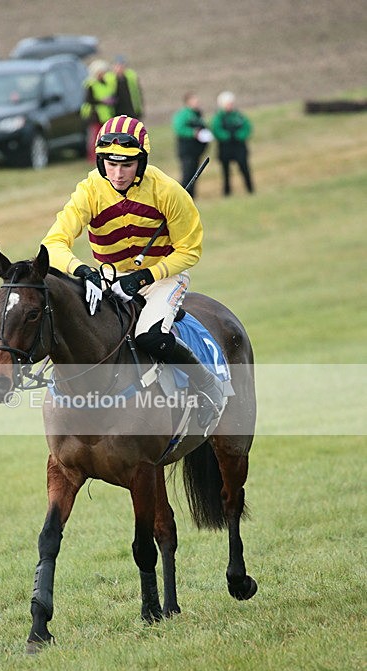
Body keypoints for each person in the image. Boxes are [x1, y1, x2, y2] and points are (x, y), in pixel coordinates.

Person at [41, 115, 224, 430]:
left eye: (127, 164)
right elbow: (53, 243)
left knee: (149, 337)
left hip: (163, 279)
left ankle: (208, 388)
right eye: (110, 164)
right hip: (109, 278)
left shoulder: (167, 191)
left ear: (141, 162)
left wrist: (143, 278)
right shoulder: (89, 191)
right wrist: (83, 270)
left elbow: (190, 249)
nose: (118, 173)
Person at [210, 91, 254, 196]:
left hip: (239, 146)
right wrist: (227, 136)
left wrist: (239, 136)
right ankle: (227, 192)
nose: (230, 105)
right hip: (225, 147)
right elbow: (216, 130)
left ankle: (250, 189)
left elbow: (247, 127)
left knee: (244, 168)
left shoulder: (238, 115)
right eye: (227, 103)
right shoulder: (218, 117)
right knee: (226, 172)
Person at [172, 92, 212, 197]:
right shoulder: (183, 114)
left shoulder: (198, 114)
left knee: (195, 174)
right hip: (187, 150)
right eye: (194, 100)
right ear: (187, 102)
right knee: (187, 175)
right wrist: (193, 133)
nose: (197, 103)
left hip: (196, 150)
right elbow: (179, 129)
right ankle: (182, 196)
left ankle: (192, 197)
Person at [81, 60, 116, 163]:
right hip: (94, 115)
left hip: (105, 114)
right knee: (95, 137)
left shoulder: (105, 83)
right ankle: (93, 157)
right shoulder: (90, 84)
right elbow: (89, 100)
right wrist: (102, 101)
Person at [112, 55, 144, 119]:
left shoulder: (131, 76)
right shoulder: (110, 78)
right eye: (117, 66)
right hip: (117, 111)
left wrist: (139, 108)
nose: (120, 68)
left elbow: (137, 93)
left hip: (131, 110)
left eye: (121, 65)